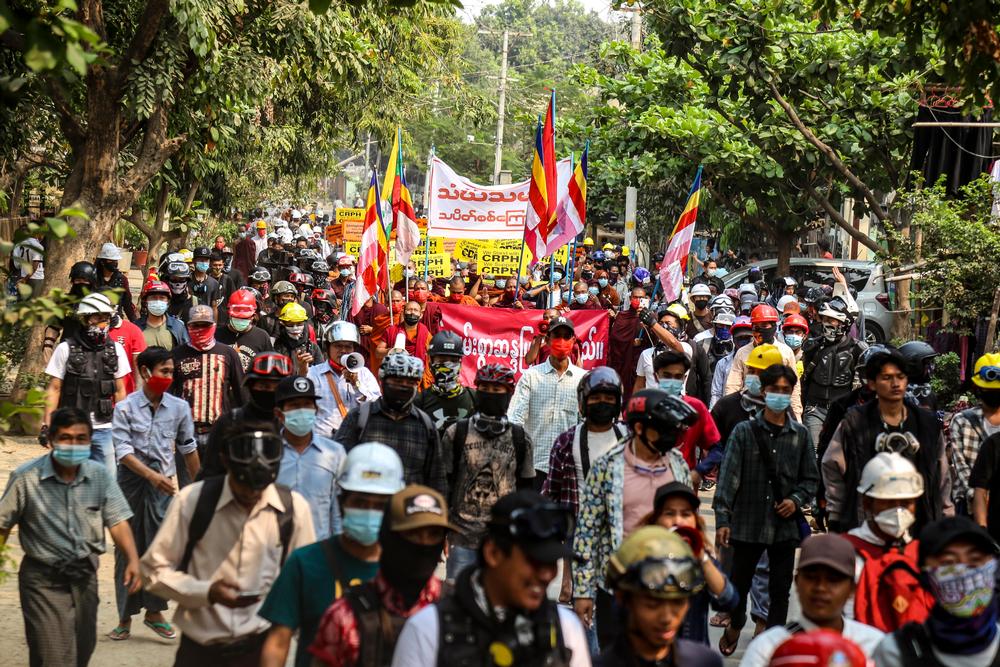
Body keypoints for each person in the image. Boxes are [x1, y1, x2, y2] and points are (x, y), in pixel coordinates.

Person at [141, 422, 315, 666]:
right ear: (225, 461)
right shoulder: (192, 502)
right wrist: (206, 592)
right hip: (199, 652)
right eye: (244, 486)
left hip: (260, 652)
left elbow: (304, 585)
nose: (252, 495)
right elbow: (152, 570)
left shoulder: (294, 510)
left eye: (260, 487)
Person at [0, 407, 141, 667]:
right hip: (42, 579)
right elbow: (3, 525)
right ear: (51, 440)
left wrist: (133, 559)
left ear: (90, 440)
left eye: (81, 439)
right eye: (66, 438)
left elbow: (118, 520)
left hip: (84, 575)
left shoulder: (99, 475)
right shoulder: (25, 478)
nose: (74, 445)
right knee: (53, 654)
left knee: (81, 650)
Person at [390, 490, 591, 667]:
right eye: (534, 562)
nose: (547, 575)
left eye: (551, 563)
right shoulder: (429, 629)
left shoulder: (566, 628)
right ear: (493, 553)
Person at [258, 443, 404, 667]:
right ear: (342, 502)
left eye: (380, 505)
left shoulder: (405, 568)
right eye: (360, 502)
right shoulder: (305, 562)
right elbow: (278, 642)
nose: (369, 512)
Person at [574, 389, 696, 650]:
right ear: (639, 428)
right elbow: (587, 531)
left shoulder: (677, 465)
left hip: (669, 584)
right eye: (663, 429)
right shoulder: (607, 466)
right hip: (618, 587)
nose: (670, 437)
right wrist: (582, 591)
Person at [714, 363, 819, 656]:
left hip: (783, 528)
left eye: (787, 390)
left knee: (780, 590)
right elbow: (728, 478)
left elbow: (810, 478)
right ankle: (736, 623)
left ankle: (772, 648)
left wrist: (796, 500)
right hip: (747, 524)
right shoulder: (744, 433)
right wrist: (723, 518)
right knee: (739, 585)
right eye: (776, 390)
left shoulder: (799, 435)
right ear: (764, 391)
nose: (781, 395)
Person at [108, 346, 199, 642]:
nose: (169, 377)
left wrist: (201, 487)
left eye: (172, 371)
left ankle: (154, 612)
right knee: (126, 549)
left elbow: (188, 448)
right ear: (146, 372)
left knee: (159, 549)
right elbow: (122, 451)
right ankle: (124, 616)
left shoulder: (179, 407)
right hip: (130, 483)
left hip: (162, 486)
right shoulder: (124, 408)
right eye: (165, 371)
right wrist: (151, 475)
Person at [308, 484, 455, 666]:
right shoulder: (345, 616)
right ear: (387, 536)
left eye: (434, 534)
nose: (424, 544)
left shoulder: (459, 609)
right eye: (412, 534)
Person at [822, 347, 953, 533]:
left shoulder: (927, 424)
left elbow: (942, 474)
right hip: (866, 522)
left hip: (919, 522)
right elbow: (832, 465)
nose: (895, 383)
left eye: (900, 377)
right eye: (886, 377)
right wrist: (835, 512)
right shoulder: (854, 422)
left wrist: (947, 513)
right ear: (872, 383)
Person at [443, 363, 534, 580]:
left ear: (508, 394)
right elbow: (444, 483)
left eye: (497, 390)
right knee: (457, 601)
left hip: (503, 540)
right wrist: (442, 531)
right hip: (462, 537)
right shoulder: (457, 432)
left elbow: (526, 492)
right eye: (485, 389)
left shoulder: (520, 438)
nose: (491, 395)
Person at [738, 534, 885, 667]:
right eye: (811, 577)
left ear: (852, 589)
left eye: (833, 580)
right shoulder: (768, 647)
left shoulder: (872, 645)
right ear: (797, 581)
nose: (821, 588)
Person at [872, 516, 1000, 667]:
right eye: (948, 563)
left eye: (975, 560)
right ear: (926, 577)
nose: (963, 571)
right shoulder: (896, 651)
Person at [594, 525, 722, 667]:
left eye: (678, 602)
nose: (667, 618)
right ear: (623, 599)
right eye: (652, 604)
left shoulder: (705, 662)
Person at [844, 453, 933, 631]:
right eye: (889, 502)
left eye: (906, 503)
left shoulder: (921, 553)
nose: (898, 511)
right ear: (867, 503)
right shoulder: (844, 553)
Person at [43, 292, 130, 473]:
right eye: (98, 317)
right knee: (67, 478)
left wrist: (122, 425)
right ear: (85, 319)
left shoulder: (116, 350)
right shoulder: (65, 348)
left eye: (106, 317)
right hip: (70, 427)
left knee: (108, 480)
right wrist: (47, 425)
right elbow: (54, 388)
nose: (102, 322)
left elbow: (120, 391)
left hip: (104, 428)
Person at [642, 482, 738, 645]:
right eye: (669, 513)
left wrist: (702, 557)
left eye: (686, 514)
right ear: (656, 519)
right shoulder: (642, 558)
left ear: (695, 521)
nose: (678, 520)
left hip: (693, 653)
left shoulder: (703, 561)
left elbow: (729, 600)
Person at [336, 352, 447, 493]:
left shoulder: (425, 425)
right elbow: (338, 466)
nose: (403, 386)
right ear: (382, 381)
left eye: (410, 382)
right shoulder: (359, 418)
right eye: (397, 381)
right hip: (366, 507)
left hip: (408, 510)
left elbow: (437, 479)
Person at [169, 305, 246, 482]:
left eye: (205, 325)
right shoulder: (176, 355)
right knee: (189, 492)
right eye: (195, 325)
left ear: (213, 325)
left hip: (219, 434)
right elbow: (168, 397)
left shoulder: (228, 354)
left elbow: (242, 393)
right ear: (188, 326)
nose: (200, 330)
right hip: (186, 435)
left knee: (218, 489)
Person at [509, 316, 586, 486]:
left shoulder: (583, 380)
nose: (562, 341)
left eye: (566, 337)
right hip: (534, 467)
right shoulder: (531, 376)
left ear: (573, 341)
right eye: (557, 335)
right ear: (547, 340)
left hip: (569, 469)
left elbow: (586, 425)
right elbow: (515, 420)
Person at [544, 367, 626, 516]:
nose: (602, 403)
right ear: (583, 402)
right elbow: (551, 492)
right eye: (595, 398)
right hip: (579, 530)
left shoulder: (630, 438)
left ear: (618, 403)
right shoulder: (566, 441)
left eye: (609, 399)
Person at [273, 375, 346, 540]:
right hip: (276, 549)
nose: (302, 410)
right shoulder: (267, 453)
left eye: (307, 405)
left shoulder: (335, 453)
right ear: (279, 414)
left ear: (316, 409)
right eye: (294, 405)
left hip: (320, 549)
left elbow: (337, 509)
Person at [800, 297, 867, 447]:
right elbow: (804, 379)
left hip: (844, 410)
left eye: (832, 320)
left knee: (841, 453)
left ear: (844, 323)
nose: (827, 324)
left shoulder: (859, 349)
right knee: (814, 451)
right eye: (825, 319)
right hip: (815, 408)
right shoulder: (813, 346)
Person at [650, 350, 721, 478]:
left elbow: (716, 448)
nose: (672, 381)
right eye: (666, 375)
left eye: (678, 377)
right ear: (656, 376)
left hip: (683, 487)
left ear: (684, 378)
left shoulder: (695, 407)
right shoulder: (643, 405)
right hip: (647, 484)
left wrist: (698, 471)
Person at [724, 304, 803, 417]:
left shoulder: (786, 352)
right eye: (756, 326)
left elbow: (794, 388)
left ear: (773, 326)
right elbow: (733, 385)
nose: (759, 330)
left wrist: (797, 415)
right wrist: (731, 412)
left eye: (764, 325)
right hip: (747, 409)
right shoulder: (742, 352)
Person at [309, 321, 381, 438]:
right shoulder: (314, 373)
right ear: (328, 347)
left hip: (355, 441)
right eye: (338, 346)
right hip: (324, 443)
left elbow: (376, 407)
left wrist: (357, 385)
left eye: (348, 346)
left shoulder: (364, 374)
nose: (343, 351)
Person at [950, 352, 1000, 514]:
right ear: (976, 389)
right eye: (988, 390)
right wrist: (978, 494)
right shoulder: (962, 421)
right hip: (968, 503)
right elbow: (961, 466)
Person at [414, 330, 475, 434]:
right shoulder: (420, 401)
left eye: (453, 361)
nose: (448, 365)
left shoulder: (474, 398)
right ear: (431, 362)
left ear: (460, 363)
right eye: (442, 361)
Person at [215, 287, 274, 372]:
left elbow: (269, 365)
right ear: (229, 313)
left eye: (245, 318)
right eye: (237, 317)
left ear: (253, 315)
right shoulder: (217, 335)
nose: (240, 320)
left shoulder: (262, 337)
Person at [711, 315, 754, 407]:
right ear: (733, 338)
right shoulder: (723, 363)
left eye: (747, 338)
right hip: (729, 410)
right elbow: (716, 393)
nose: (744, 342)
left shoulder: (760, 362)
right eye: (740, 338)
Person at [136, 279, 190, 350]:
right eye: (153, 298)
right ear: (145, 302)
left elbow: (185, 354)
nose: (158, 301)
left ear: (168, 302)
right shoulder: (135, 328)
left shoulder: (178, 327)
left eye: (162, 298)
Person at [272, 302, 323, 375]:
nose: (295, 328)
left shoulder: (312, 348)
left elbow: (321, 373)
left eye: (299, 323)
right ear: (282, 324)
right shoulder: (276, 347)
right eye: (290, 324)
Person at [95, 242, 137, 321]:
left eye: (116, 260)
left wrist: (134, 322)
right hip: (97, 320)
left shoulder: (122, 280)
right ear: (102, 262)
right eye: (111, 260)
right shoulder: (94, 278)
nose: (114, 263)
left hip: (116, 321)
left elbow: (127, 303)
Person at [190, 246, 222, 317]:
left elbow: (214, 308)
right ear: (194, 261)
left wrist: (214, 326)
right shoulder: (186, 281)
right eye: (201, 260)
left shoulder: (214, 283)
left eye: (206, 260)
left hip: (206, 322)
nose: (204, 263)